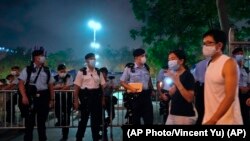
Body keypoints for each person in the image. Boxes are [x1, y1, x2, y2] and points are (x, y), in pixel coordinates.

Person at [202, 29, 243, 125]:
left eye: (209, 43)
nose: (205, 46)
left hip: (228, 121)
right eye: (204, 43)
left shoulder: (228, 63)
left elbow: (230, 96)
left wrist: (213, 120)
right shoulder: (210, 63)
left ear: (219, 45)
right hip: (210, 119)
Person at [18, 47, 54, 141]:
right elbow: (21, 83)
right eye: (42, 56)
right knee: (29, 123)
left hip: (44, 97)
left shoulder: (47, 70)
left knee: (42, 123)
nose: (43, 57)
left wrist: (52, 99)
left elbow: (50, 86)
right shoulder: (28, 69)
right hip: (31, 98)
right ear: (36, 58)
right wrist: (24, 96)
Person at [73, 53, 106, 141]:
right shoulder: (81, 72)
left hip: (96, 98)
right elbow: (76, 88)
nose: (93, 60)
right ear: (86, 61)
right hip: (85, 99)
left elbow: (103, 87)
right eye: (91, 59)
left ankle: (96, 138)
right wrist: (76, 101)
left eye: (94, 59)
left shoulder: (98, 72)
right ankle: (79, 138)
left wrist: (103, 99)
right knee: (83, 120)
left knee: (96, 121)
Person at [120, 48, 154, 125]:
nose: (144, 57)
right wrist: (131, 89)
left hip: (146, 96)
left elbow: (149, 80)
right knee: (135, 121)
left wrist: (151, 90)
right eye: (142, 56)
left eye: (145, 55)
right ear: (136, 57)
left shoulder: (146, 68)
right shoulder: (129, 68)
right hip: (135, 97)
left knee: (149, 120)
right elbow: (122, 82)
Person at [164, 49, 197, 125]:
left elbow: (190, 98)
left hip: (184, 116)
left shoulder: (188, 76)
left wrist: (177, 82)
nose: (170, 62)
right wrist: (171, 92)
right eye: (169, 59)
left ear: (181, 61)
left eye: (173, 59)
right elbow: (174, 93)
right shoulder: (174, 75)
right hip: (173, 113)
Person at [54, 64, 74, 140]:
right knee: (57, 112)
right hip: (58, 98)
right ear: (58, 71)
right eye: (61, 71)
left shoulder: (69, 76)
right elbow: (52, 87)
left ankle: (65, 135)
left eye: (64, 71)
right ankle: (59, 121)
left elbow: (68, 87)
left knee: (67, 117)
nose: (63, 72)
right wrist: (61, 87)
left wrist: (58, 88)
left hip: (67, 98)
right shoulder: (55, 77)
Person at [232, 47, 250, 125]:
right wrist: (239, 88)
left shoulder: (246, 69)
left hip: (246, 95)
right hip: (236, 94)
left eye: (242, 54)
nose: (240, 55)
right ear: (233, 55)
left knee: (246, 115)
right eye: (238, 54)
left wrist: (248, 88)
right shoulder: (231, 68)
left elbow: (249, 81)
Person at [100, 67, 118, 141]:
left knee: (112, 115)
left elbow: (116, 87)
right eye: (101, 74)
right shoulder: (97, 81)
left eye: (104, 74)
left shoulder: (110, 80)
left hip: (109, 99)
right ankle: (104, 133)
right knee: (101, 117)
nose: (103, 76)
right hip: (100, 100)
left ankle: (104, 126)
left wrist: (112, 86)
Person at [193, 58, 210, 125]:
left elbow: (195, 78)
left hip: (199, 87)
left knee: (200, 109)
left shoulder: (198, 64)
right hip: (207, 87)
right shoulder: (213, 63)